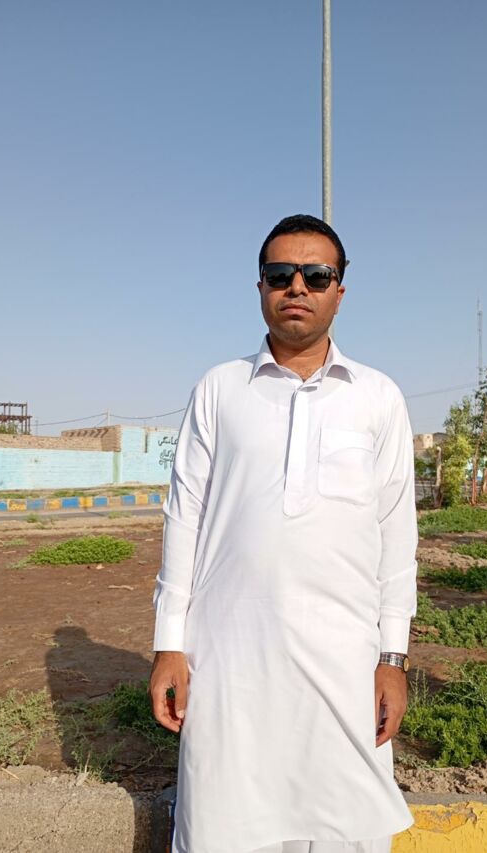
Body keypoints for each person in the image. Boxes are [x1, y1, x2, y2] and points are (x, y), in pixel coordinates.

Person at [149, 214, 418, 853]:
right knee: (222, 827)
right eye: (280, 274)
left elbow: (396, 537)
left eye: (316, 275)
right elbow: (184, 518)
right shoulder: (220, 389)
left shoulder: (378, 397)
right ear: (261, 287)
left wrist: (393, 659)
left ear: (339, 292)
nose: (297, 287)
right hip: (229, 664)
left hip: (344, 666)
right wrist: (169, 645)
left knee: (346, 830)